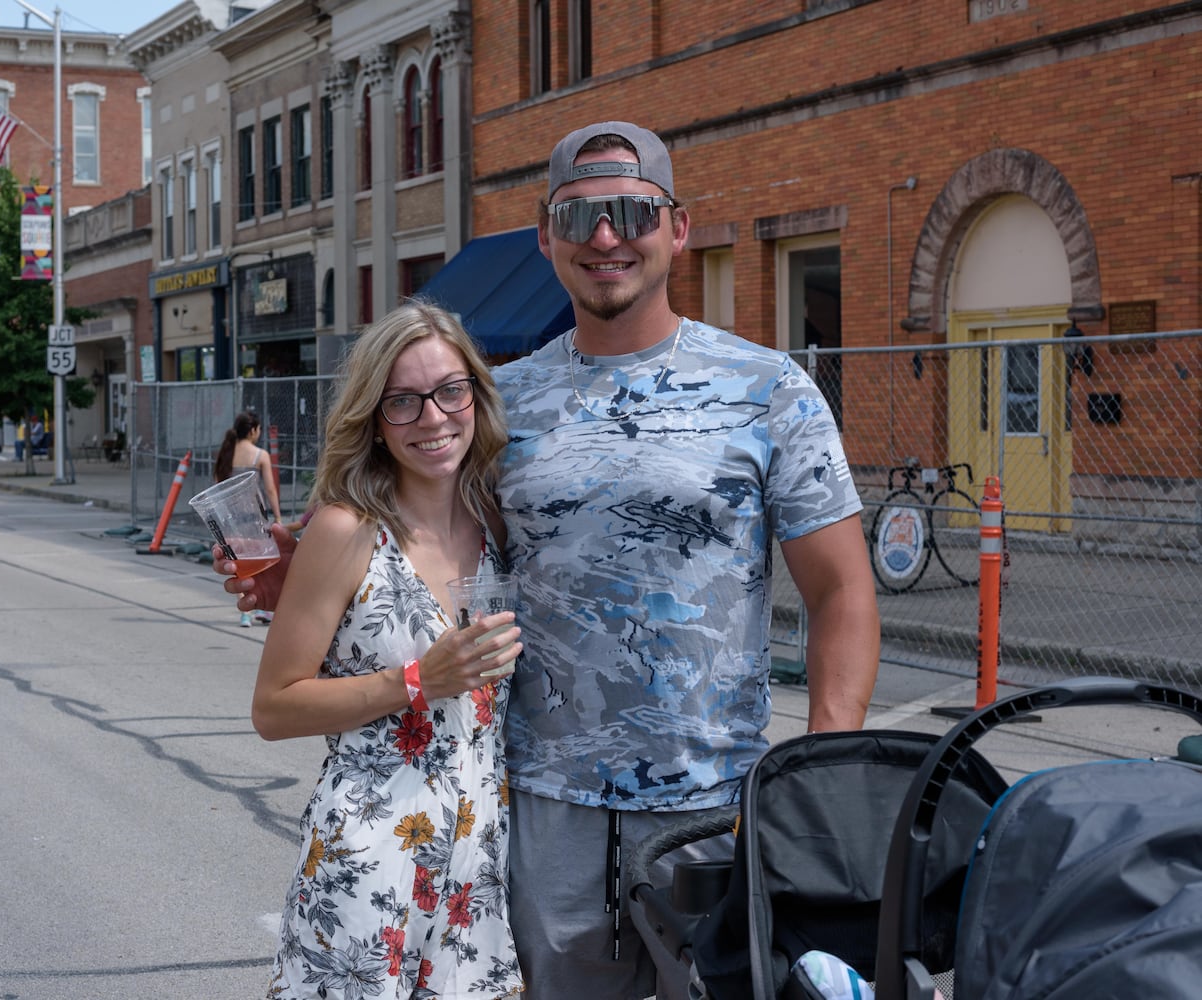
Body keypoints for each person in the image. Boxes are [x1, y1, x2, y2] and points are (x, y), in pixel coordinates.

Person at [220, 121, 881, 999]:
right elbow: (424, 535)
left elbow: (842, 592)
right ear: (546, 240)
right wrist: (309, 574)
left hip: (717, 807)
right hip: (539, 811)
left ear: (676, 228)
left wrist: (816, 781)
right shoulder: (501, 403)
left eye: (630, 212)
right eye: (578, 218)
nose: (605, 238)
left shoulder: (770, 392)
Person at [256, 300, 524, 1000]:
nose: (433, 419)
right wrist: (415, 679)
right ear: (374, 418)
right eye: (403, 402)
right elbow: (274, 707)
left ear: (475, 393)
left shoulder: (495, 517)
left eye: (449, 391)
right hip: (370, 860)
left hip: (477, 863)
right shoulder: (346, 530)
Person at [214, 411, 282, 627]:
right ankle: (261, 606)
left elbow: (218, 484)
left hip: (230, 517)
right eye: (258, 429)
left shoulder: (226, 452)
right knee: (260, 559)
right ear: (253, 430)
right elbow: (270, 489)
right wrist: (277, 516)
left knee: (237, 564)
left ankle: (245, 612)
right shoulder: (259, 455)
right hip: (254, 515)